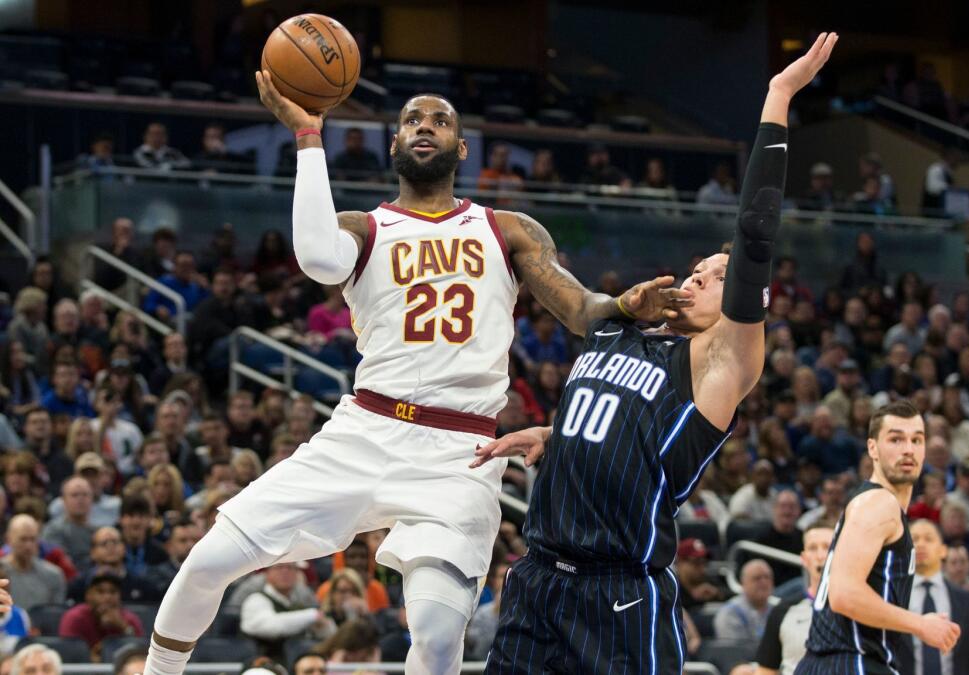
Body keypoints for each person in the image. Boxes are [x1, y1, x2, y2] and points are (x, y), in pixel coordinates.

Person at [144, 66, 684, 675]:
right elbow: (318, 259)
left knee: (433, 632)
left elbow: (581, 309)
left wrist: (622, 305)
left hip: (461, 452)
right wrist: (308, 138)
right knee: (208, 560)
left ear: (461, 147)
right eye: (411, 120)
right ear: (394, 143)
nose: (425, 127)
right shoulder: (364, 227)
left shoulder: (507, 229)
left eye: (440, 120)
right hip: (365, 430)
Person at [473, 35, 838, 673]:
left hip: (616, 592)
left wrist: (778, 97)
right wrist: (559, 434)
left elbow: (754, 235)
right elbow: (620, 418)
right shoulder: (620, 327)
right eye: (697, 268)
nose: (697, 277)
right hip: (535, 579)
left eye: (716, 276)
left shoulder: (720, 363)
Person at [797, 400, 960, 673]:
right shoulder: (879, 504)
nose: (908, 449)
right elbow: (844, 594)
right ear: (872, 447)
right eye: (896, 439)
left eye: (916, 440)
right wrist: (920, 624)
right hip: (850, 662)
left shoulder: (874, 504)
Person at [899, 519, 969, 674]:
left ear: (943, 550)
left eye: (928, 539)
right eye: (914, 539)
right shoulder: (891, 598)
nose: (920, 544)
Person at [753, 525, 833, 675]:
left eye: (827, 547)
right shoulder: (783, 611)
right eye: (813, 548)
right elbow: (765, 670)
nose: (821, 555)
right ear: (804, 559)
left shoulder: (858, 610)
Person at [240, 562, 335, 661]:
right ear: (267, 572)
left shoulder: (301, 601)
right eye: (279, 567)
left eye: (290, 568)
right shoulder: (256, 599)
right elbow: (270, 627)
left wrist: (323, 625)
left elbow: (328, 633)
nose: (285, 572)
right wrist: (311, 616)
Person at [58, 574, 145, 653]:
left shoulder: (130, 619)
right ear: (88, 596)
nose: (107, 597)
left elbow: (139, 653)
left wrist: (123, 626)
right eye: (100, 592)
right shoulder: (74, 618)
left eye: (113, 592)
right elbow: (68, 653)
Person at [1, 515, 66, 608]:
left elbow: (55, 616)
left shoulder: (54, 576)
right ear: (8, 539)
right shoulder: (1, 573)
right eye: (23, 539)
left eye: (33, 539)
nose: (28, 546)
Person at [43, 475, 97, 569]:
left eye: (85, 495)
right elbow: (62, 563)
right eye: (74, 495)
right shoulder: (53, 530)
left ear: (92, 499)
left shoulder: (98, 532)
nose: (80, 500)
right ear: (63, 500)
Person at [715, 559, 776, 641]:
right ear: (743, 583)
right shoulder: (730, 613)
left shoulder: (777, 609)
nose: (764, 582)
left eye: (767, 577)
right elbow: (733, 651)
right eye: (757, 578)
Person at [753, 491, 805, 585]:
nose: (787, 511)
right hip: (771, 591)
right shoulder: (761, 538)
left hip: (799, 592)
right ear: (774, 509)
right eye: (783, 506)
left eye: (792, 507)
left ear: (799, 511)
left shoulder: (805, 538)